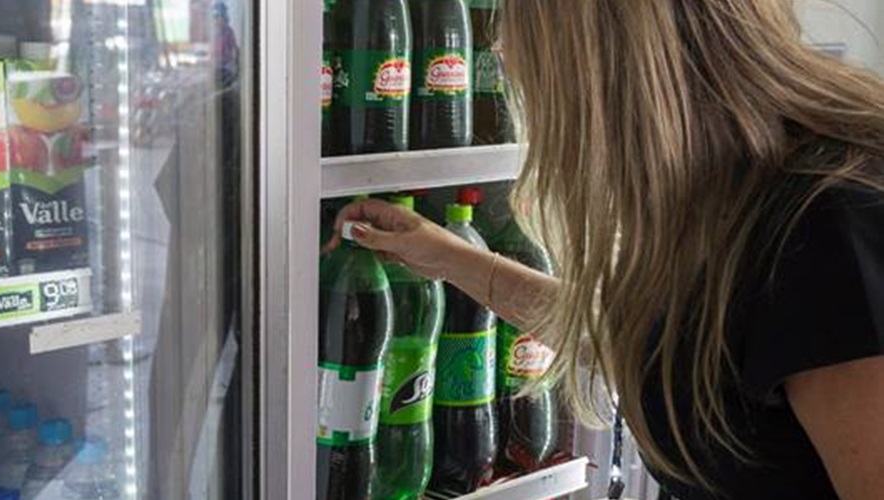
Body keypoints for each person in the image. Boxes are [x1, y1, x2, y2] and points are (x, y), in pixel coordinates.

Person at [325, 1, 884, 499]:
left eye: (522, 32)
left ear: (598, 63)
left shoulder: (829, 225)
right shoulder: (726, 192)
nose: (503, 54)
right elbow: (668, 351)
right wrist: (450, 258)